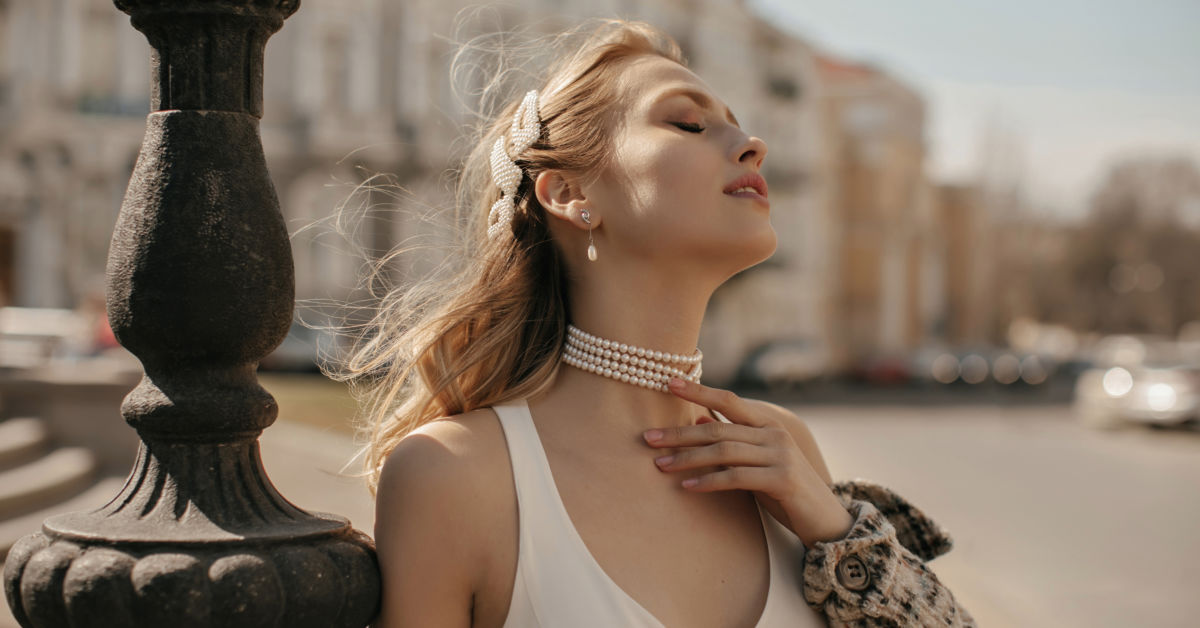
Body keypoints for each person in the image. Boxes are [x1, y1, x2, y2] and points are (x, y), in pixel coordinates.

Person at [342, 18, 976, 628]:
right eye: (689, 122)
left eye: (739, 126)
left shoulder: (784, 451)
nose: (752, 145)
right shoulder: (454, 475)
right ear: (570, 195)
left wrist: (840, 535)